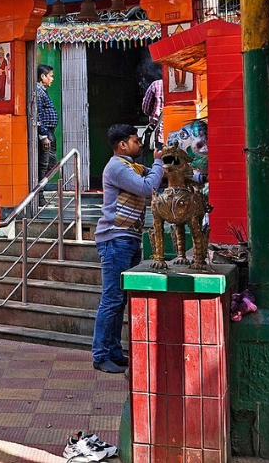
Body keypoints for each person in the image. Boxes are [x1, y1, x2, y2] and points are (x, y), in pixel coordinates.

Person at [92, 123, 164, 374]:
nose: (140, 144)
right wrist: (158, 161)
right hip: (115, 239)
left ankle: (113, 351)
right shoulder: (117, 167)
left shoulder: (133, 167)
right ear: (122, 145)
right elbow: (147, 187)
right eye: (135, 140)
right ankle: (101, 355)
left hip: (128, 238)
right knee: (112, 299)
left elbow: (156, 178)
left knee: (120, 300)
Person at [35, 64, 58, 204]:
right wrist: (43, 135)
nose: (52, 79)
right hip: (46, 133)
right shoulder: (38, 91)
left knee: (51, 164)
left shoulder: (43, 91)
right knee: (44, 165)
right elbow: (38, 114)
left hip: (49, 132)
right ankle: (39, 196)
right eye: (51, 76)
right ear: (42, 76)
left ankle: (40, 194)